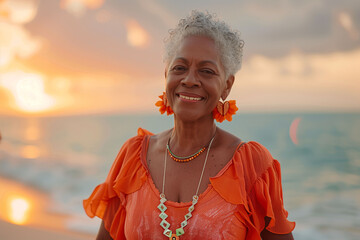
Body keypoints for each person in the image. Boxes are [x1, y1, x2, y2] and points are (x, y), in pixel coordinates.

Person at [83, 10, 295, 240]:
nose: (190, 80)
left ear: (227, 85)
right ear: (166, 75)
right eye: (180, 68)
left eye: (206, 71)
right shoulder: (133, 157)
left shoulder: (250, 166)